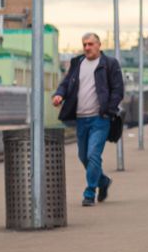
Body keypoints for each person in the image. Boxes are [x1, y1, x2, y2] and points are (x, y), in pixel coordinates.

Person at [52, 32, 125, 206]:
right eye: (84, 44)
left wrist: (108, 110)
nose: (87, 47)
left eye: (90, 44)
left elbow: (118, 90)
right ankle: (103, 181)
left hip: (100, 119)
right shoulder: (77, 63)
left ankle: (89, 192)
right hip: (81, 119)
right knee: (83, 157)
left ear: (99, 45)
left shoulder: (109, 64)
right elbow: (66, 82)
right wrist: (59, 95)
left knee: (93, 154)